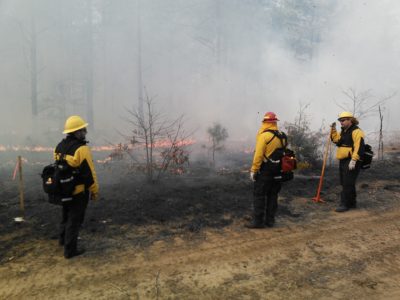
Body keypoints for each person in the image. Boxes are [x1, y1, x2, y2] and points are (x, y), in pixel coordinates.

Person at [55, 115, 99, 258]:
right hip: (78, 192)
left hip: (63, 190)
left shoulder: (59, 146)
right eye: (83, 130)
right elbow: (89, 173)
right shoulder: (82, 149)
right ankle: (70, 250)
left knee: (65, 216)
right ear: (76, 132)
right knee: (75, 220)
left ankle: (62, 240)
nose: (85, 132)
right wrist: (94, 191)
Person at [247, 112, 287, 228]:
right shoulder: (282, 135)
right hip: (278, 170)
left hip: (265, 171)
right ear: (275, 122)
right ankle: (270, 221)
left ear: (265, 122)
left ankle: (258, 222)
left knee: (259, 195)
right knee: (273, 196)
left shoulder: (264, 136)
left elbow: (258, 155)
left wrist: (254, 170)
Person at [331, 111, 365, 212]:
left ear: (350, 120)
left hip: (352, 160)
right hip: (344, 160)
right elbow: (337, 141)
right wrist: (333, 130)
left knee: (347, 182)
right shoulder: (344, 131)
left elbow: (359, 146)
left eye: (343, 120)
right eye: (340, 121)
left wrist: (354, 160)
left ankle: (344, 204)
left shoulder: (356, 131)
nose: (341, 122)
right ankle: (352, 203)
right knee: (347, 182)